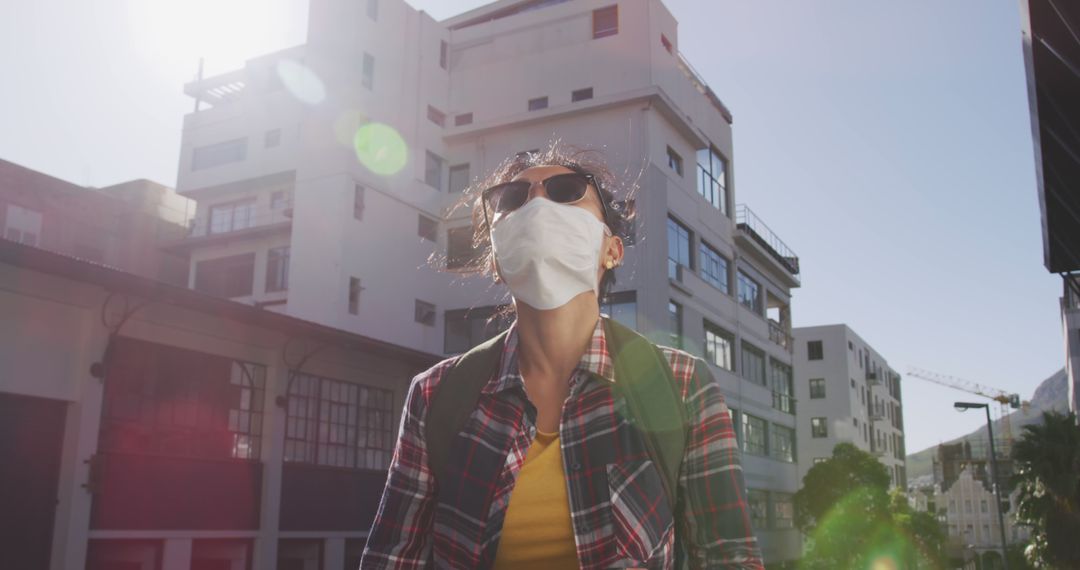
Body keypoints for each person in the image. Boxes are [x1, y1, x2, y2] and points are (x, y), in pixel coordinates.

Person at [361, 143, 764, 569]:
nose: (536, 203)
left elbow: (729, 556)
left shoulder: (683, 384)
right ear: (497, 258)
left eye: (566, 190)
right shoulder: (435, 393)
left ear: (612, 250)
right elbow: (391, 557)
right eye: (511, 198)